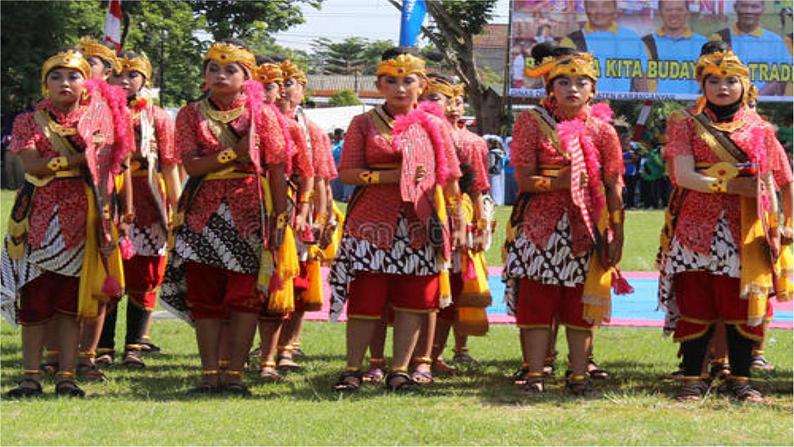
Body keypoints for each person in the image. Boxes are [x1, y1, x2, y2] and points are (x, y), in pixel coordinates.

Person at [657, 41, 793, 402]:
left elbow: (768, 181)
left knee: (742, 305)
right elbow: (683, 175)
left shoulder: (760, 129)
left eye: (730, 80)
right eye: (714, 80)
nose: (722, 87)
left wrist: (777, 222)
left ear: (744, 86)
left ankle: (741, 378)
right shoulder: (683, 123)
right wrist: (731, 185)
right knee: (696, 301)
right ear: (702, 85)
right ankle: (692, 379)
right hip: (694, 227)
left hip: (745, 227)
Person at [329, 47, 465, 392]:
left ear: (421, 84)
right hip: (371, 223)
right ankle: (353, 368)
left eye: (409, 81)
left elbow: (449, 177)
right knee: (366, 298)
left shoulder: (434, 124)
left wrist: (456, 221)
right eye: (391, 81)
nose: (400, 88)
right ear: (379, 84)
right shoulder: (363, 123)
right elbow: (347, 173)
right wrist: (393, 177)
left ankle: (401, 369)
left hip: (420, 221)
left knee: (413, 299)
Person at [159, 40, 288, 395]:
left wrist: (280, 217)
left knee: (246, 295)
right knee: (205, 294)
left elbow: (276, 167)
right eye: (213, 68)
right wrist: (236, 152)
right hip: (202, 212)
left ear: (248, 77)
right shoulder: (189, 114)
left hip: (250, 210)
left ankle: (235, 374)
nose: (220, 75)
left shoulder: (264, 115)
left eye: (230, 69)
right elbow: (192, 165)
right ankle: (208, 373)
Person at [1, 49, 128, 397]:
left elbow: (107, 167)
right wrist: (74, 158)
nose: (64, 83)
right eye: (55, 76)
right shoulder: (29, 121)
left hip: (82, 217)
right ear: (45, 84)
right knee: (34, 300)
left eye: (73, 76)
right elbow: (32, 165)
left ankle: (67, 375)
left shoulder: (97, 119)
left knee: (71, 304)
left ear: (86, 82)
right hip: (37, 216)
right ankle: (29, 376)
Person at [503, 42, 626, 395]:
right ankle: (536, 373)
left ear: (593, 89)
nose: (573, 89)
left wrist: (617, 229)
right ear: (550, 88)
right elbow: (524, 180)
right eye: (564, 82)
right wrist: (565, 179)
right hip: (540, 225)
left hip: (588, 226)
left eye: (581, 82)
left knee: (580, 302)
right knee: (538, 300)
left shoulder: (604, 131)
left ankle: (578, 373)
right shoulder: (531, 122)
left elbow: (614, 181)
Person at [96, 51, 181, 368]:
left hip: (147, 198)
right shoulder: (97, 112)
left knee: (144, 276)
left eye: (133, 75)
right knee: (107, 272)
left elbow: (171, 165)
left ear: (146, 80)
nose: (124, 81)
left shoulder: (158, 117)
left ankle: (134, 345)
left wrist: (177, 207)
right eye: (118, 74)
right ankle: (102, 346)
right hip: (107, 197)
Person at [420, 74, 494, 377]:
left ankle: (433, 354)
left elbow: (477, 186)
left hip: (452, 214)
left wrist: (479, 223)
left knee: (449, 285)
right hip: (415, 208)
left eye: (442, 98)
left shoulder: (469, 142)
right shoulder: (412, 131)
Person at [250, 55, 314, 381]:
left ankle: (270, 359)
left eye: (271, 85)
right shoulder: (238, 122)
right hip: (239, 208)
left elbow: (307, 175)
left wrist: (302, 211)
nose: (264, 91)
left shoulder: (292, 126)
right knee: (242, 286)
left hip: (279, 209)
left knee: (275, 284)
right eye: (257, 84)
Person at [275, 59, 338, 370]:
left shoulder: (313, 131)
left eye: (291, 83)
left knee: (300, 281)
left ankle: (288, 346)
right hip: (263, 208)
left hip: (304, 210)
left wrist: (322, 215)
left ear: (302, 90)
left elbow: (323, 178)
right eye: (277, 82)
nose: (284, 90)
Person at [560, 0, 648, 92]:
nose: (599, 11)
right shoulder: (570, 42)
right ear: (585, 8)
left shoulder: (631, 38)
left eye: (605, 5)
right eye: (593, 5)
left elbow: (641, 82)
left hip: (622, 105)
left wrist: (646, 105)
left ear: (614, 9)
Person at [710, 0, 790, 95]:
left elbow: (782, 75)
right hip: (728, 102)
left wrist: (757, 98)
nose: (748, 11)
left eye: (754, 7)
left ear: (763, 10)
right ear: (735, 7)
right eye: (744, 6)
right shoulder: (719, 38)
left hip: (762, 103)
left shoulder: (775, 41)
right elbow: (710, 74)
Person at [642, 0, 708, 95]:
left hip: (693, 107)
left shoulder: (703, 43)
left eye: (679, 9)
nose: (674, 14)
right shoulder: (645, 42)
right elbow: (639, 81)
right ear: (660, 12)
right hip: (655, 107)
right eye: (668, 10)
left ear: (687, 12)